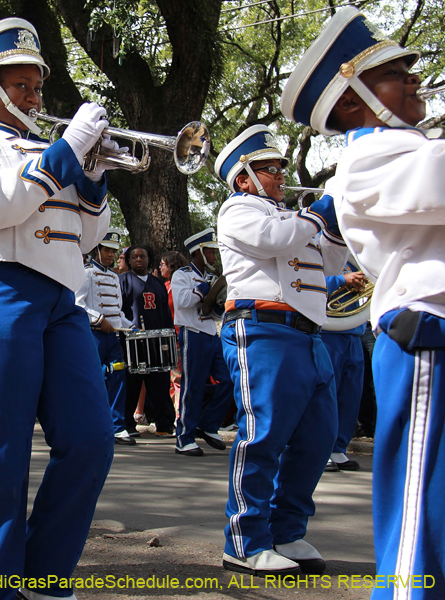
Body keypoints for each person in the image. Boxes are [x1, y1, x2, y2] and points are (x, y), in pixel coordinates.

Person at [0, 17, 116, 600]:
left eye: (38, 87)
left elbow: (90, 238)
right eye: (22, 86)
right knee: (3, 452)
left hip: (62, 301)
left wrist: (91, 175)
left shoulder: (51, 150)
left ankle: (42, 577)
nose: (36, 98)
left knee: (92, 441)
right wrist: (67, 151)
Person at [282, 8, 445, 593]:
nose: (413, 76)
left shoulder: (409, 145)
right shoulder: (369, 156)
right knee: (418, 534)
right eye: (395, 72)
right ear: (352, 102)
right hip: (428, 336)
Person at [213, 124, 347, 577]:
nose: (280, 177)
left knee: (318, 437)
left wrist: (340, 217)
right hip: (264, 329)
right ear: (244, 177)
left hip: (309, 334)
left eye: (280, 169)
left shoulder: (290, 217)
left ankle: (287, 530)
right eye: (270, 170)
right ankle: (244, 540)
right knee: (263, 435)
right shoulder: (238, 209)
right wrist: (323, 206)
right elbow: (275, 241)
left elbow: (330, 262)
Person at [171, 228, 232, 457]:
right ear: (199, 252)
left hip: (210, 334)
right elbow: (183, 301)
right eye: (211, 253)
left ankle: (208, 424)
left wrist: (216, 306)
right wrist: (201, 290)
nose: (214, 258)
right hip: (192, 333)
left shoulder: (211, 277)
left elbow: (214, 314)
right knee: (192, 386)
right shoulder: (182, 275)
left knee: (228, 379)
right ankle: (184, 437)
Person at [75, 229, 134, 445]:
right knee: (93, 379)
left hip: (113, 337)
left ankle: (118, 427)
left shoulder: (113, 277)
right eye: (107, 250)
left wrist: (131, 326)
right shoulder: (86, 272)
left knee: (118, 378)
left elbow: (117, 312)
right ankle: (89, 424)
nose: (110, 255)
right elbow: (77, 303)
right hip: (94, 335)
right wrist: (99, 319)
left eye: (113, 251)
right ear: (97, 250)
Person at [120, 245, 175, 436]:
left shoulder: (157, 283)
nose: (138, 260)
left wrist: (169, 332)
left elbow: (165, 311)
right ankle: (127, 425)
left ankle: (165, 425)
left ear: (148, 259)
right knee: (132, 385)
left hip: (157, 341)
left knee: (159, 383)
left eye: (142, 256)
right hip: (133, 342)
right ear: (128, 260)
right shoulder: (123, 281)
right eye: (134, 257)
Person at [321, 261, 367, 472]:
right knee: (326, 395)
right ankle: (321, 449)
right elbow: (302, 283)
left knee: (350, 396)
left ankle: (339, 448)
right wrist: (340, 280)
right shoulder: (316, 250)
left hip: (353, 334)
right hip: (328, 334)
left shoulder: (350, 260)